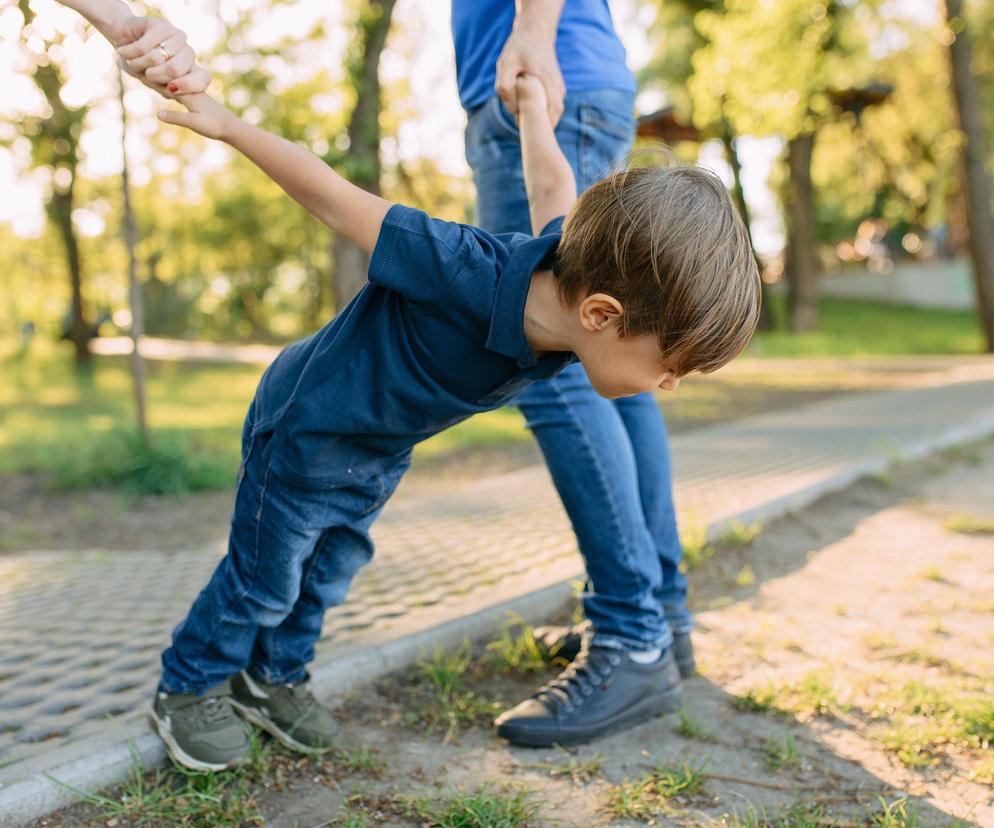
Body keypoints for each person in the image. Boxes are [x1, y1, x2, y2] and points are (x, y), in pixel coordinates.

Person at [56, 4, 760, 768]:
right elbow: (331, 194)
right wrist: (226, 123)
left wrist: (530, 109)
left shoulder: (568, 268)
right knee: (265, 578)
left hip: (379, 448)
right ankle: (188, 686)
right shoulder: (459, 266)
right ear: (602, 313)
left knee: (329, 571)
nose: (669, 383)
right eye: (672, 364)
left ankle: (274, 679)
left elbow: (552, 178)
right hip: (309, 426)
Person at [452, 0, 697, 745]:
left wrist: (531, 33)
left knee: (553, 353)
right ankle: (658, 619)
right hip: (573, 80)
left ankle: (632, 636)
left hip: (546, 73)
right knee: (612, 369)